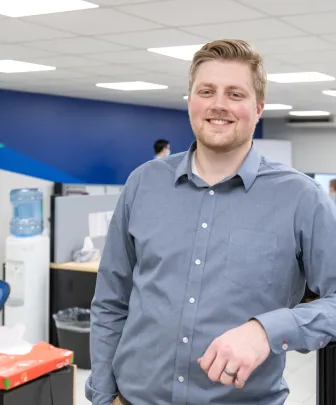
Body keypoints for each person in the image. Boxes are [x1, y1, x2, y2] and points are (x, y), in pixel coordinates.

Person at [85, 39, 336, 405]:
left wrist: (266, 331)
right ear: (190, 101)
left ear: (259, 108)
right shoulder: (143, 183)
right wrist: (103, 396)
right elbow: (111, 301)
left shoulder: (300, 197)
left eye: (235, 93)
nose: (219, 104)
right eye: (206, 91)